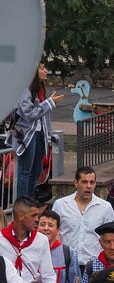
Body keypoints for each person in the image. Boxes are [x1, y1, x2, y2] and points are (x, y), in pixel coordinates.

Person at [52, 167, 114, 274]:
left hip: (95, 267)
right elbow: (53, 233)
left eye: (92, 182)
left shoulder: (105, 207)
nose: (88, 186)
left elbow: (113, 236)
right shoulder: (61, 205)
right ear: (76, 183)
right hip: (66, 265)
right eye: (84, 182)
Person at [13, 65, 60, 201]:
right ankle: (23, 202)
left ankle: (30, 199)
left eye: (46, 68)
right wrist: (50, 103)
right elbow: (29, 114)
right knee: (25, 170)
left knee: (37, 168)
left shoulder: (39, 89)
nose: (46, 71)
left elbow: (42, 113)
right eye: (42, 68)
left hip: (39, 132)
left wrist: (49, 134)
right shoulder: (24, 89)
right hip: (27, 134)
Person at [1, 196, 58, 283]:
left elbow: (48, 276)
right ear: (21, 216)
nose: (37, 219)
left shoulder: (41, 240)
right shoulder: (1, 239)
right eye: (33, 216)